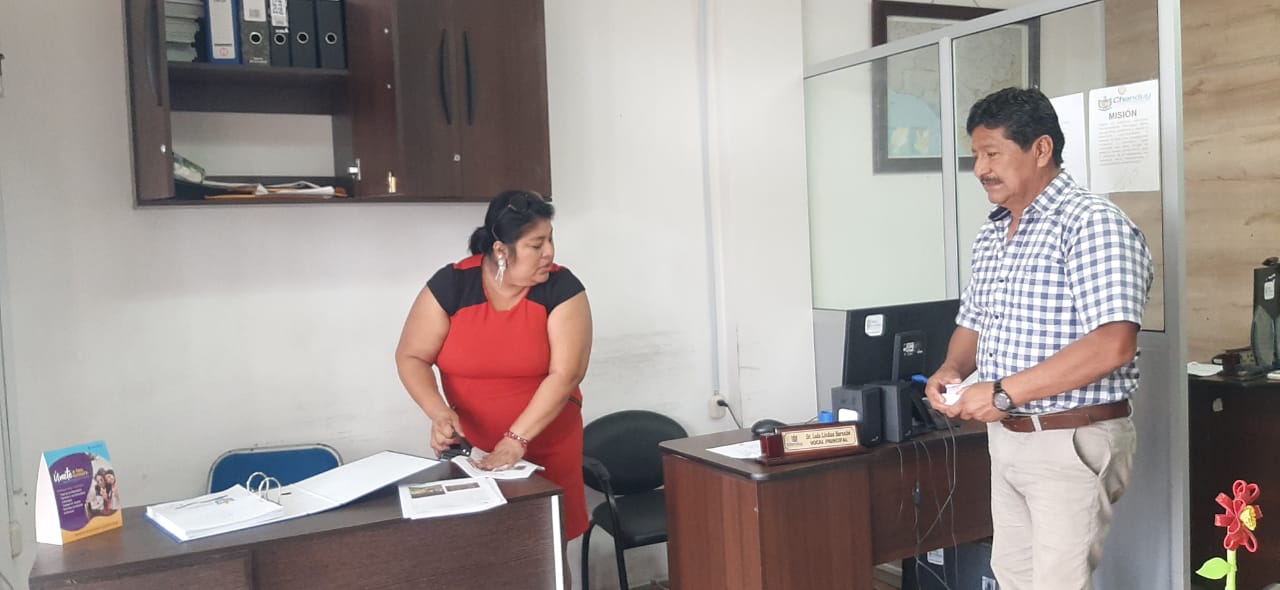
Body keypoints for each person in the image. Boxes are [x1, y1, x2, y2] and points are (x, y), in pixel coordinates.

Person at [925, 87, 1153, 590]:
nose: (980, 169)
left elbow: (1114, 344)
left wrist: (1003, 392)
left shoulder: (1091, 223)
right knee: (1013, 577)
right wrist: (952, 370)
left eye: (992, 153)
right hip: (1009, 437)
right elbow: (974, 322)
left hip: (1068, 437)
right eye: (976, 155)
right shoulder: (994, 232)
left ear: (1041, 149)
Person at [395, 190, 593, 541]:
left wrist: (517, 438)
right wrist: (439, 413)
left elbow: (567, 374)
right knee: (482, 545)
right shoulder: (453, 285)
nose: (549, 252)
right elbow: (412, 356)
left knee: (546, 546)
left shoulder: (562, 288)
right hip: (474, 452)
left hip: (546, 444)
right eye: (536, 245)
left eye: (550, 240)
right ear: (501, 250)